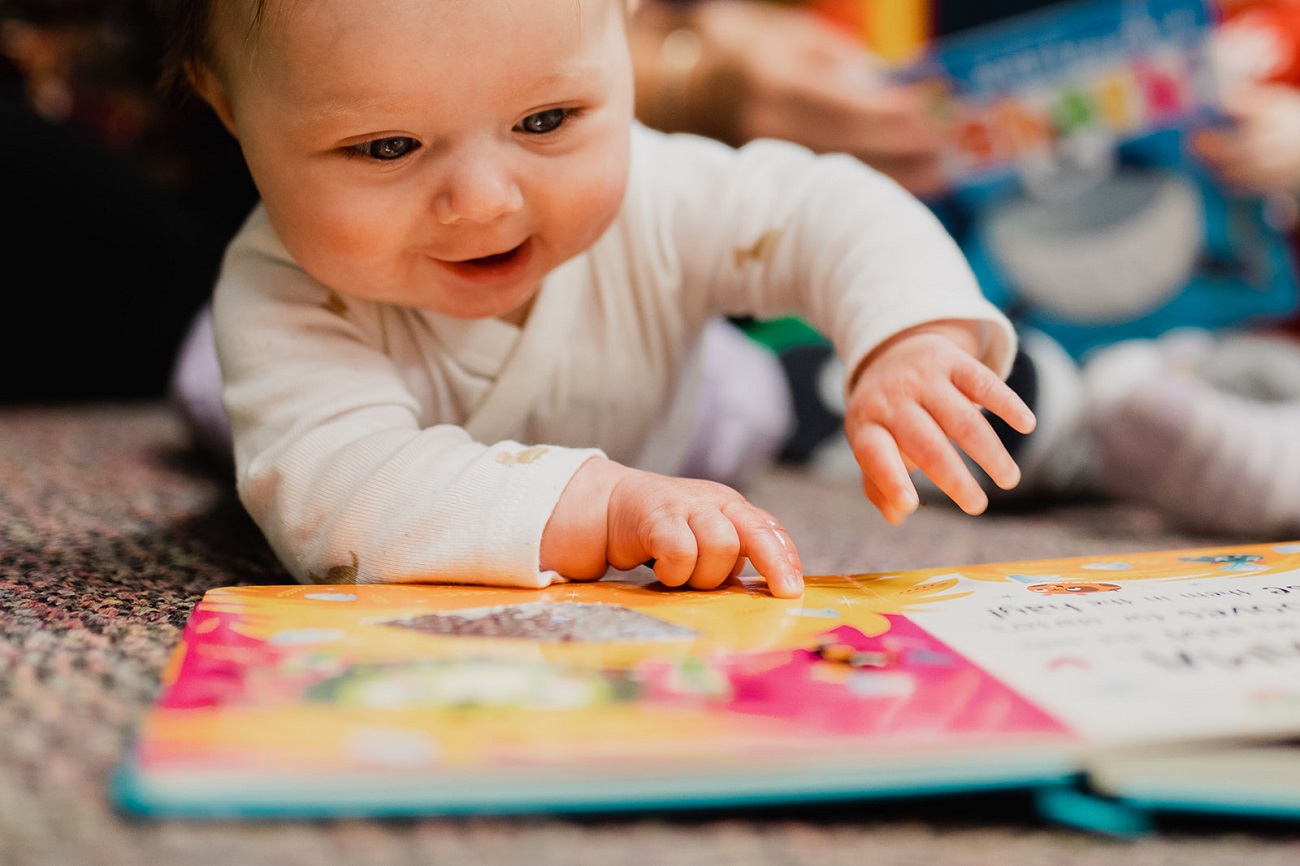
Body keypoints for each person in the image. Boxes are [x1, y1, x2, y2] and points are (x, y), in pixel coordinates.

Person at [157, 0, 1036, 599]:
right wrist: (601, 505)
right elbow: (345, 500)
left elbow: (830, 209)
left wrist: (909, 336)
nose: (485, 202)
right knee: (241, 408)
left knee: (751, 406)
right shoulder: (289, 294)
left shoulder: (664, 188)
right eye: (387, 146)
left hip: (688, 418)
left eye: (545, 122)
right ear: (227, 107)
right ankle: (220, 377)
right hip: (616, 467)